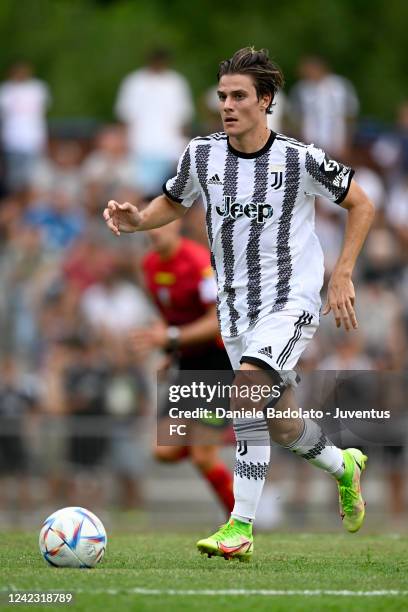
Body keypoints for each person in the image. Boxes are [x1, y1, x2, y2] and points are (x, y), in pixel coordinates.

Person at [103, 47, 375, 561]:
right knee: (280, 421)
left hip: (289, 300)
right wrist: (138, 219)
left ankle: (239, 526)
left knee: (247, 394)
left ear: (265, 100)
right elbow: (174, 201)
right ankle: (344, 465)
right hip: (235, 311)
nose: (227, 105)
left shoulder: (298, 158)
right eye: (223, 96)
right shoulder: (201, 154)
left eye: (239, 96)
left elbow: (362, 203)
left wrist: (342, 274)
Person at [132, 219, 234, 515]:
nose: (155, 229)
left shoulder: (198, 262)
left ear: (177, 223)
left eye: (161, 222)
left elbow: (218, 320)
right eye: (150, 223)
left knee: (203, 457)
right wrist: (171, 349)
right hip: (189, 364)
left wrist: (173, 337)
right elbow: (170, 317)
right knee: (163, 451)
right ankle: (210, 439)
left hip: (217, 365)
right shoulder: (149, 266)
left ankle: (240, 523)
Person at [115, 47, 193, 198]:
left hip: (169, 150)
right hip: (139, 148)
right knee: (137, 194)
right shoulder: (134, 82)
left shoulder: (176, 83)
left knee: (169, 196)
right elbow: (125, 118)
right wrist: (124, 146)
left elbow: (183, 120)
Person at [289, 56, 359, 158]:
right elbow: (296, 119)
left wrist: (347, 143)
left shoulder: (340, 86)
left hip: (337, 144)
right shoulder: (300, 89)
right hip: (310, 145)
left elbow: (350, 116)